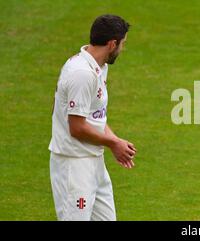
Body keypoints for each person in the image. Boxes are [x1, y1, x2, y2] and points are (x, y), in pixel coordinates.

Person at [48, 14, 136, 221]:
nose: (122, 49)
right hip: (74, 165)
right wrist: (114, 143)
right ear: (112, 44)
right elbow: (77, 127)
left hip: (93, 161)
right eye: (122, 44)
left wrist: (115, 141)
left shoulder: (97, 67)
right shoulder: (81, 73)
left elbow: (95, 116)